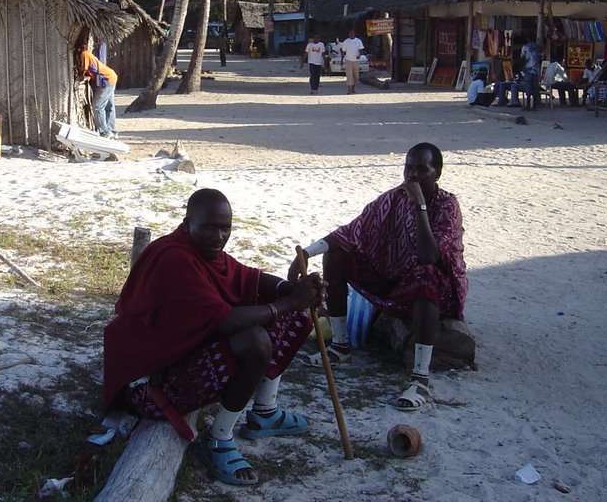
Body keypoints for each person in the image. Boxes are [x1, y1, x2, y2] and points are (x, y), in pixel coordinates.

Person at [103, 189, 323, 487]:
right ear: (187, 223)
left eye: (225, 228)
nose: (219, 236)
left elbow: (247, 278)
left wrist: (290, 289)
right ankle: (218, 440)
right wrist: (290, 302)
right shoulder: (173, 258)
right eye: (209, 227)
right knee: (257, 340)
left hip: (179, 357)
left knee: (287, 316)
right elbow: (227, 320)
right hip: (147, 385)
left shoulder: (204, 252)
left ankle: (265, 412)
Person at [292, 143, 466, 412]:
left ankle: (420, 378)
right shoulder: (393, 198)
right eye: (409, 168)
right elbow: (351, 231)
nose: (413, 176)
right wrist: (305, 253)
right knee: (337, 254)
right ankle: (340, 345)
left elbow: (429, 256)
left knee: (425, 275)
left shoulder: (447, 206)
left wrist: (420, 206)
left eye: (422, 169)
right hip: (395, 278)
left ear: (437, 173)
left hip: (437, 289)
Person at [77, 40, 119, 138]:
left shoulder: (84, 54)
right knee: (109, 106)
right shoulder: (88, 54)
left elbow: (83, 70)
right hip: (110, 76)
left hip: (106, 79)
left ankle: (104, 131)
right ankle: (112, 131)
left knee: (98, 106)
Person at [519, 35, 543, 110]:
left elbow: (522, 58)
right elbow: (541, 58)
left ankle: (528, 105)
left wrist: (521, 68)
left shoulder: (525, 47)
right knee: (535, 88)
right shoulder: (538, 47)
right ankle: (534, 106)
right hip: (536, 70)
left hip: (528, 70)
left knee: (528, 88)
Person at [339, 30, 366, 94]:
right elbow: (343, 52)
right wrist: (341, 60)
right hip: (348, 60)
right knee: (349, 75)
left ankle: (353, 88)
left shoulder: (358, 41)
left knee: (356, 76)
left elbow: (361, 50)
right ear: (348, 34)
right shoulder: (346, 42)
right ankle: (349, 90)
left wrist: (359, 55)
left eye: (352, 33)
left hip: (356, 61)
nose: (351, 34)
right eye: (350, 33)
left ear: (354, 34)